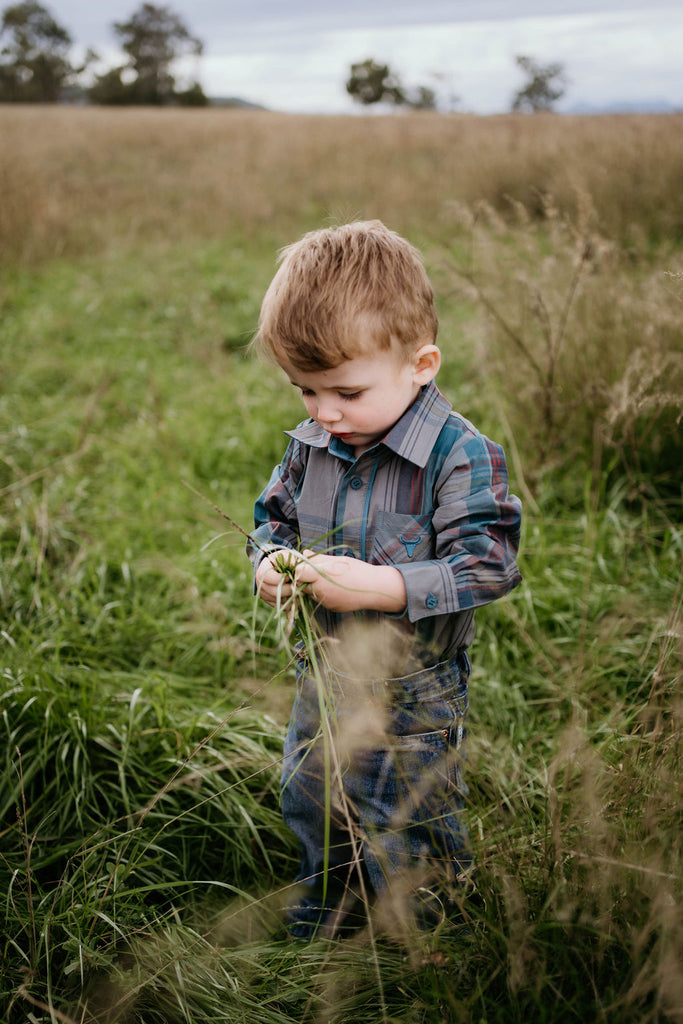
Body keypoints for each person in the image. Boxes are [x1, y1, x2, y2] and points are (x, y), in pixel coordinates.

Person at [247, 220, 522, 941]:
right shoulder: (314, 445)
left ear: (420, 363)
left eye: (344, 391)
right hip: (324, 666)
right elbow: (271, 517)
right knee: (312, 790)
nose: (324, 412)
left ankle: (432, 934)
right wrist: (270, 561)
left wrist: (381, 587)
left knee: (404, 805)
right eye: (304, 391)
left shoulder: (458, 456)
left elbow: (491, 560)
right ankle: (329, 908)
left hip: (417, 683)